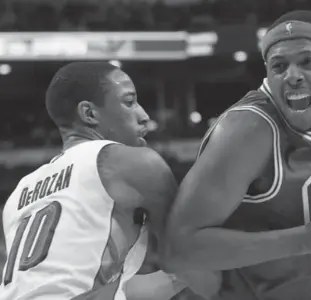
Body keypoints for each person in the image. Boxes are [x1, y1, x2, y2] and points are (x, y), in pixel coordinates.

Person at [161, 10, 311, 300]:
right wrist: (305, 240)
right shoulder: (248, 131)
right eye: (279, 66)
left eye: (308, 61)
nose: (293, 76)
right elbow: (178, 251)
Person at [0, 62, 187, 300]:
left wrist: (180, 277)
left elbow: (116, 292)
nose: (144, 116)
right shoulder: (128, 163)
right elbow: (190, 250)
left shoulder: (20, 192)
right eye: (129, 102)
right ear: (89, 113)